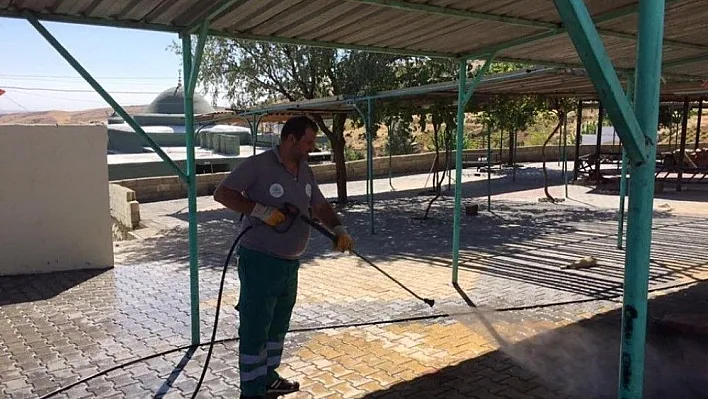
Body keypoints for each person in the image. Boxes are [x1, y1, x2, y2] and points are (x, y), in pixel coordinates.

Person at [213, 115, 354, 399]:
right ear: (290, 138)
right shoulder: (259, 165)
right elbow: (222, 193)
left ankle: (268, 378)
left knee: (278, 326)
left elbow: (319, 205)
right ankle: (251, 391)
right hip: (260, 260)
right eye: (308, 142)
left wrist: (337, 228)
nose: (312, 148)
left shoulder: (304, 171)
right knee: (255, 326)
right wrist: (260, 211)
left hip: (290, 264)